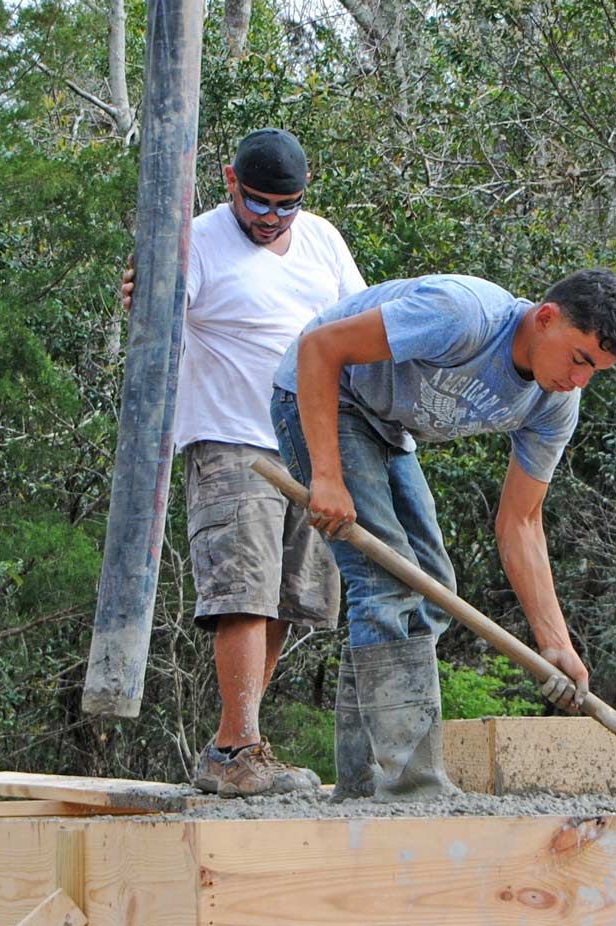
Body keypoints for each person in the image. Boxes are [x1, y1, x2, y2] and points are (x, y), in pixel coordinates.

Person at [269, 268, 616, 800]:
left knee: (433, 588)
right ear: (545, 318)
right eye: (580, 358)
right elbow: (318, 348)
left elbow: (521, 521)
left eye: (596, 371)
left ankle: (362, 782)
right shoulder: (461, 315)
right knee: (386, 581)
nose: (579, 379)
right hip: (327, 397)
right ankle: (409, 784)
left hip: (385, 425)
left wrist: (555, 643)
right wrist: (326, 474)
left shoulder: (555, 402)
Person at [123, 128, 366, 796]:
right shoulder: (197, 240)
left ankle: (237, 747)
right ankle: (238, 748)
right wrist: (144, 294)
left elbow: (360, 321)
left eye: (285, 205)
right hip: (230, 440)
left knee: (288, 597)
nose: (270, 218)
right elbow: (156, 316)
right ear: (230, 181)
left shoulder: (322, 239)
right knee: (243, 591)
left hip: (308, 448)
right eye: (258, 202)